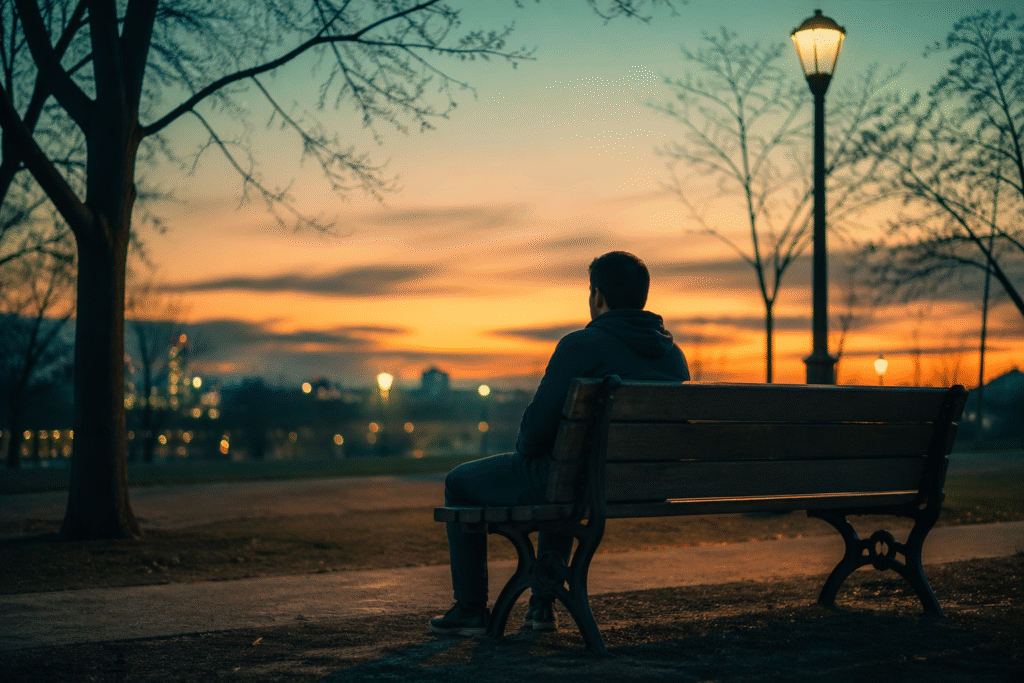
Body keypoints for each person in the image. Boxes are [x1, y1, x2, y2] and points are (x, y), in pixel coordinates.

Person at [430, 251, 690, 636]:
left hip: (574, 481)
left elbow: (534, 434)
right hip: (646, 484)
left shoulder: (582, 345)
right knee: (565, 478)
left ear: (598, 296)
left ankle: (470, 608)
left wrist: (529, 448)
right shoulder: (674, 357)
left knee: (461, 482)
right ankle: (541, 606)